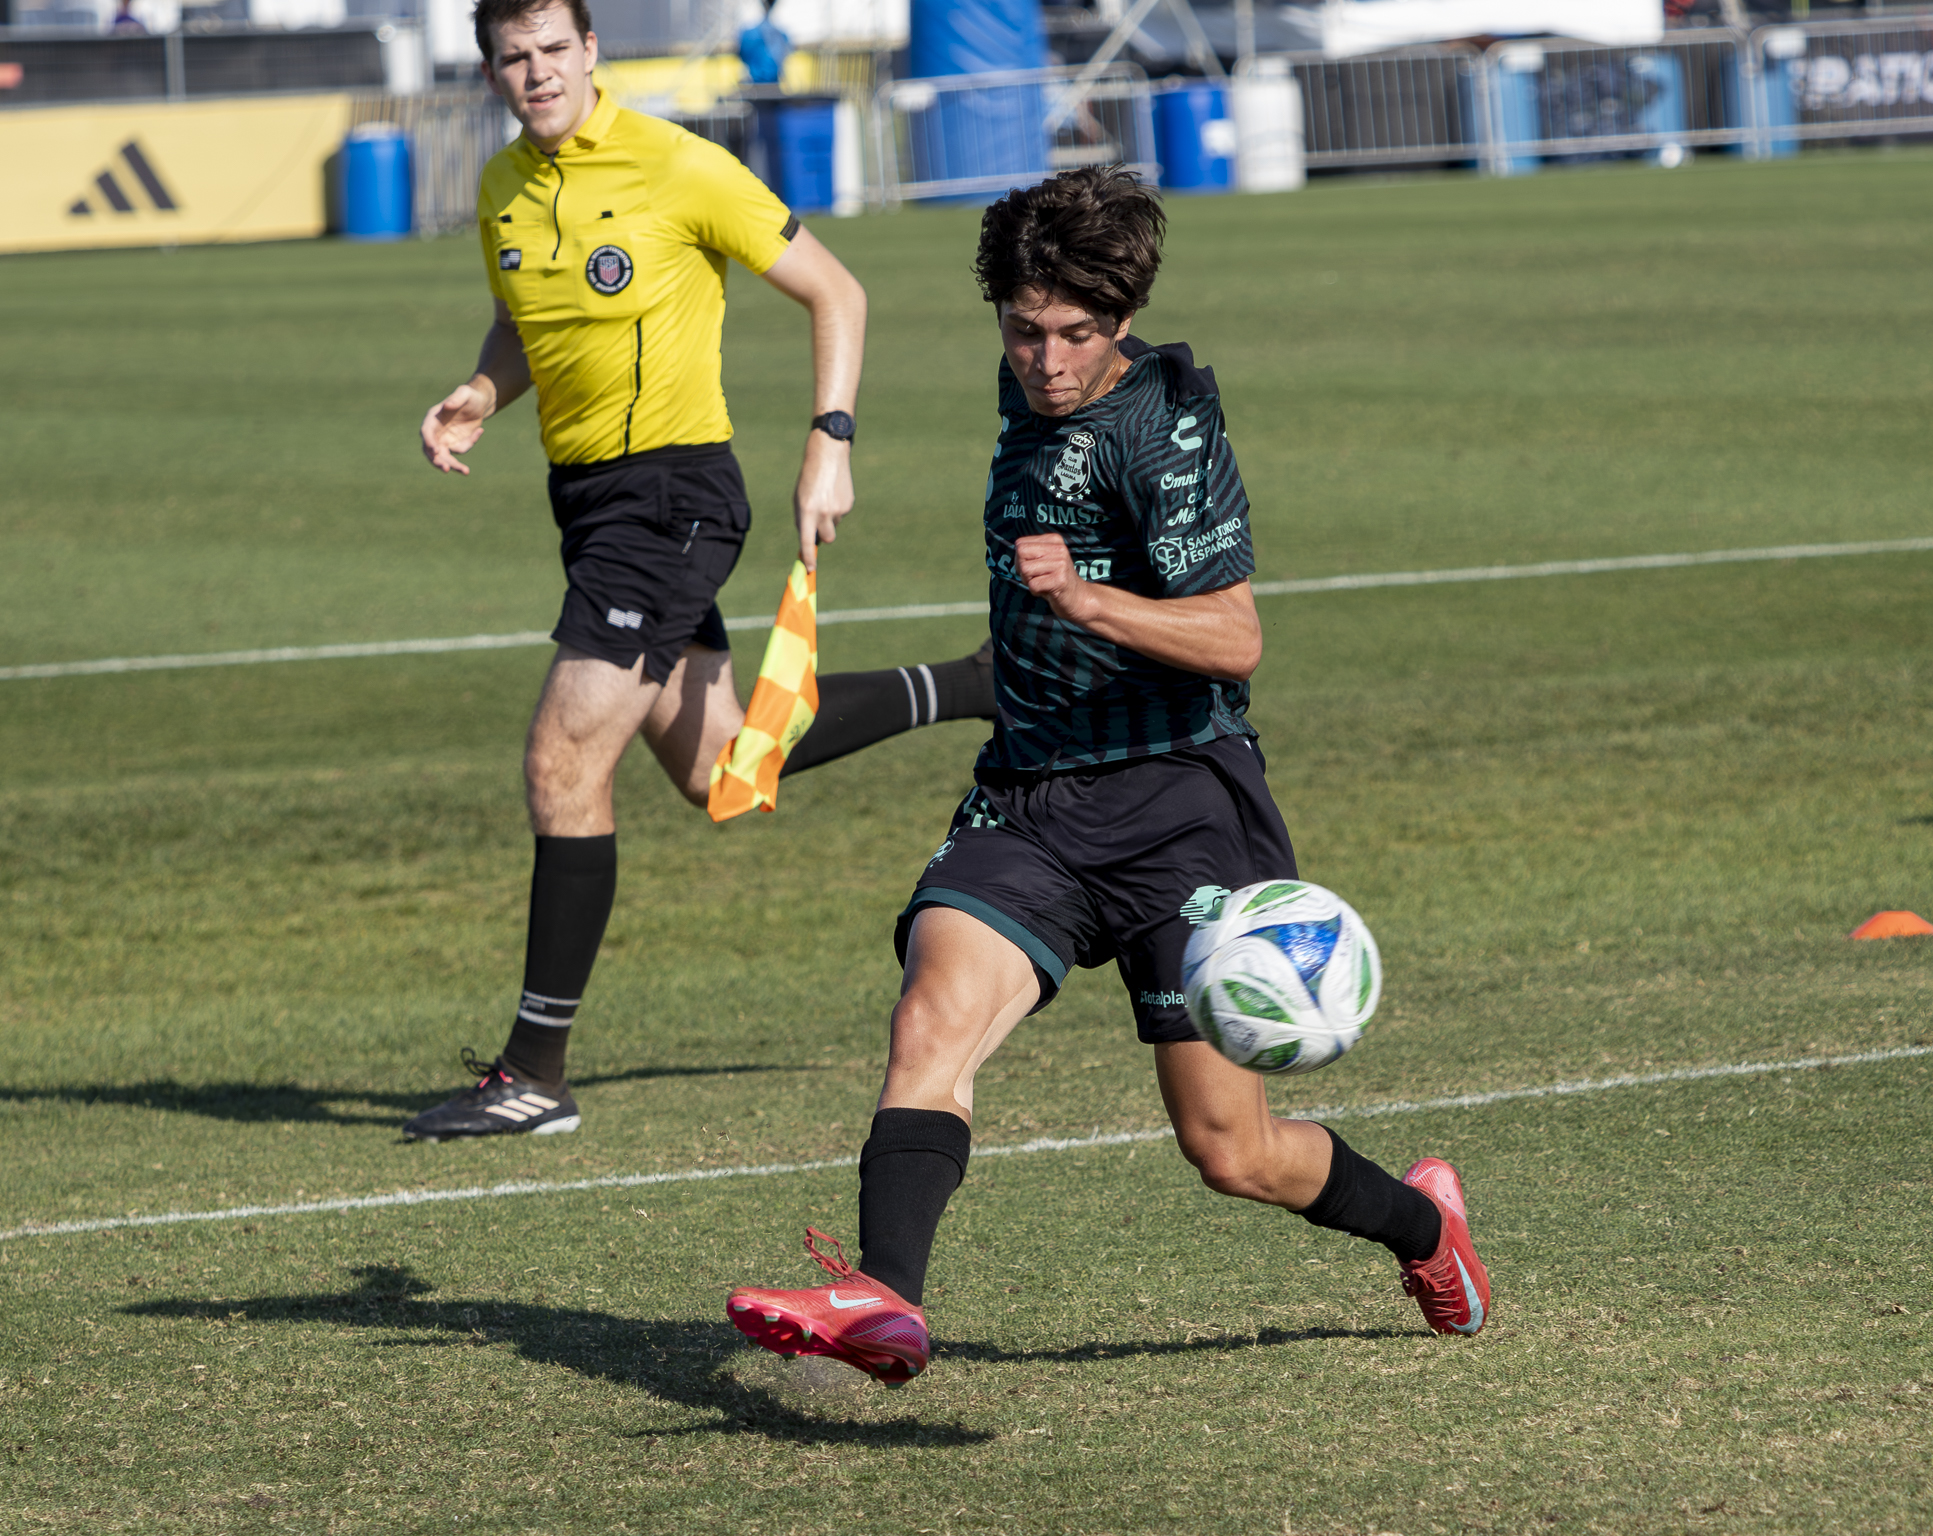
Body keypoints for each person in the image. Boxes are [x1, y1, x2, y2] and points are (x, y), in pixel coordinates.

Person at [725, 168, 1490, 1386]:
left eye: (1074, 335)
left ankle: (1422, 1224)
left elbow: (1234, 638)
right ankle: (882, 1299)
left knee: (1228, 1149)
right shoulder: (1024, 379)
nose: (1045, 360)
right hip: (1029, 797)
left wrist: (1083, 595)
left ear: (1119, 317)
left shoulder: (1165, 432)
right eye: (1022, 331)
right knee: (929, 1019)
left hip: (1179, 800)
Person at [405, 0, 991, 1143]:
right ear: (493, 73)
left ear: (589, 53)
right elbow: (524, 320)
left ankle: (535, 1071)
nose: (534, 73)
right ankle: (978, 685)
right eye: (511, 58)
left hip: (670, 495)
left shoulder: (679, 165)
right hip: (586, 502)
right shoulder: (501, 190)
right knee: (725, 767)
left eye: (550, 51)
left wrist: (829, 443)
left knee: (563, 754)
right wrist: (480, 393)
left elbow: (838, 290)